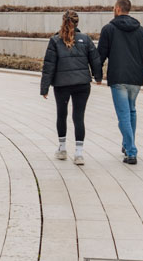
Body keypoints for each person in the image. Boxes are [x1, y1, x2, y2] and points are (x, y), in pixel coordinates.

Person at [97, 0, 143, 166]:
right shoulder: (141, 31)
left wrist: (96, 75)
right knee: (131, 111)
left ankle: (131, 152)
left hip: (118, 78)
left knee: (124, 115)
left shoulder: (108, 29)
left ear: (117, 9)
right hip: (135, 79)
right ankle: (126, 144)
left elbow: (100, 55)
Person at [40, 10, 102, 165]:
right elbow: (95, 60)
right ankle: (79, 153)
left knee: (62, 115)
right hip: (82, 84)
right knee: (78, 116)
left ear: (63, 21)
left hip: (62, 84)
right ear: (77, 23)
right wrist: (98, 77)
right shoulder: (85, 39)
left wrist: (45, 88)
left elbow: (49, 66)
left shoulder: (55, 40)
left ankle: (62, 149)